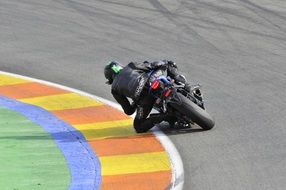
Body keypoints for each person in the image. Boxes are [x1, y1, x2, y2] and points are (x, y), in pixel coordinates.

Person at [104, 60, 190, 133]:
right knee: (168, 63)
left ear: (110, 78)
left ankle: (166, 116)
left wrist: (135, 103)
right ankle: (183, 83)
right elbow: (150, 65)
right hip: (152, 81)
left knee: (138, 126)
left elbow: (129, 111)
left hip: (144, 99)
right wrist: (163, 62)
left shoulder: (114, 89)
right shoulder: (131, 65)